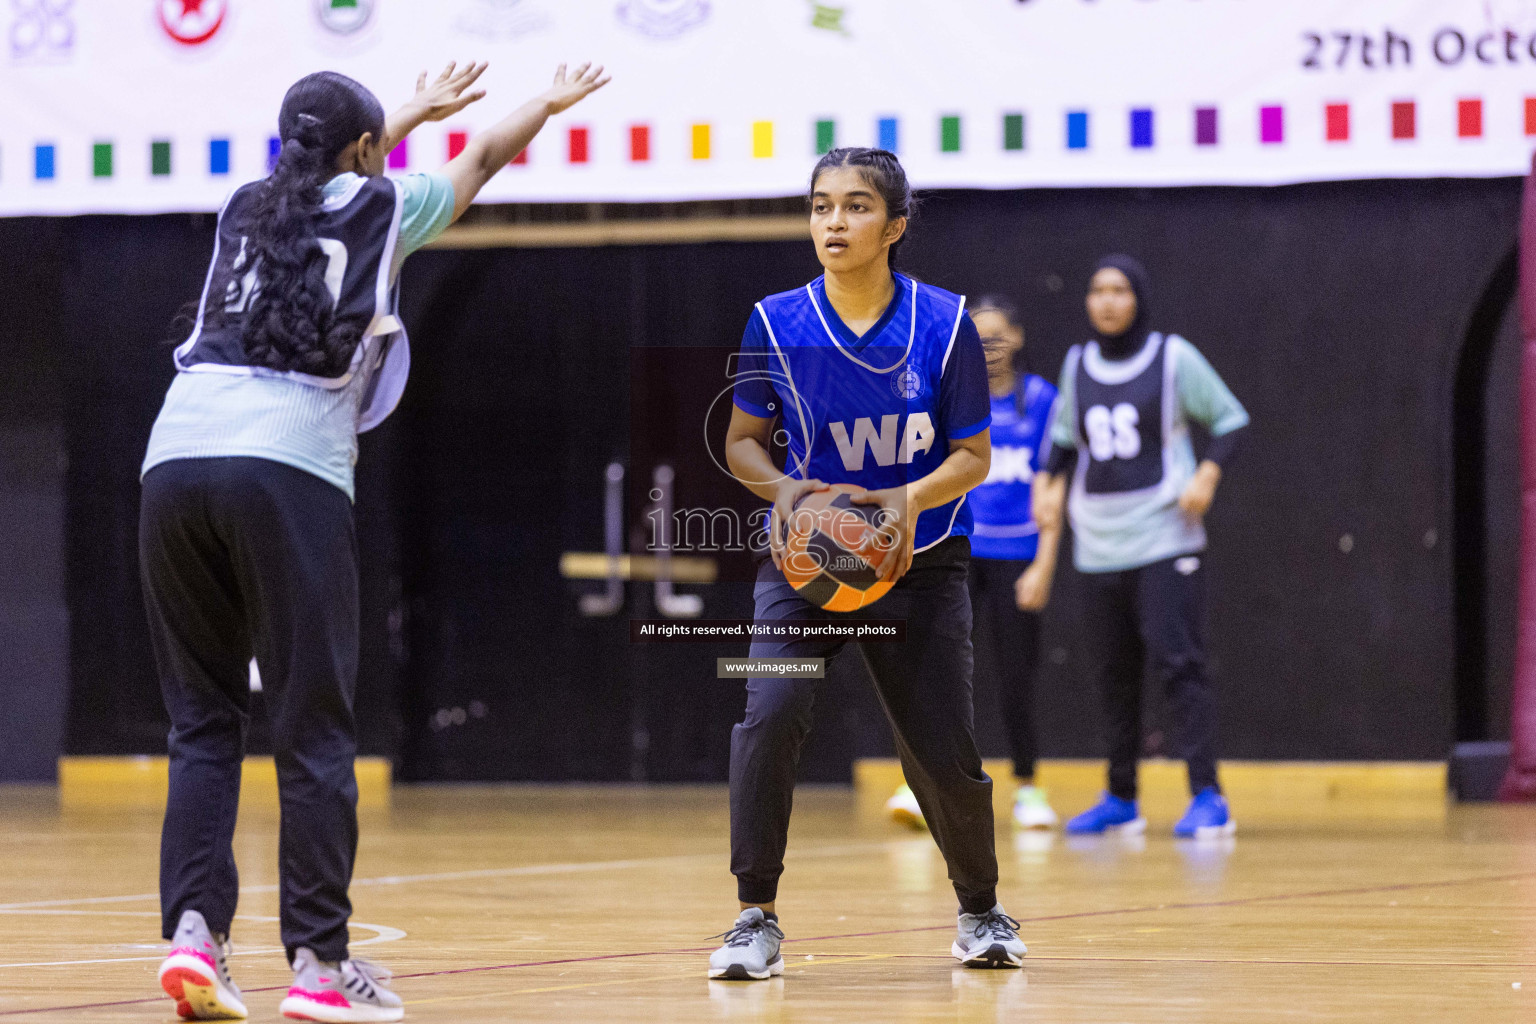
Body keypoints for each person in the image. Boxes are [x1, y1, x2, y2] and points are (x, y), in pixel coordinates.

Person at [141, 61, 608, 1022]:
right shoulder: (388, 204)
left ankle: (194, 938)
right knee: (311, 731)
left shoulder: (242, 204)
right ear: (369, 153)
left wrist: (391, 117)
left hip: (173, 459)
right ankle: (317, 967)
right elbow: (481, 154)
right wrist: (546, 106)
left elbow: (323, 160)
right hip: (286, 465)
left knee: (201, 724)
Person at [713, 147, 1026, 981]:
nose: (833, 223)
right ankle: (754, 916)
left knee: (941, 744)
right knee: (768, 712)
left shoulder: (948, 322)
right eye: (820, 207)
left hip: (920, 559)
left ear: (894, 227)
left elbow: (973, 456)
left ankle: (980, 910)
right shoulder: (774, 320)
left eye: (854, 207)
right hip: (806, 560)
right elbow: (742, 442)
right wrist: (788, 494)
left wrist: (902, 502)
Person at [1032, 254, 1249, 840]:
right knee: (1112, 675)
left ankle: (1208, 797)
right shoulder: (1078, 365)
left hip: (1163, 539)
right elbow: (1061, 440)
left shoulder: (1173, 358)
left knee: (1180, 666)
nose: (1106, 301)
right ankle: (1121, 796)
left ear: (1139, 299)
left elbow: (1230, 419)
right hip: (1098, 544)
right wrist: (1047, 489)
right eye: (1097, 290)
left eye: (1119, 290)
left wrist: (1206, 475)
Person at [886, 295, 1061, 831]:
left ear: (1019, 337)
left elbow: (1055, 491)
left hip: (1017, 557)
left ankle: (1028, 788)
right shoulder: (953, 399)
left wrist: (1044, 566)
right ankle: (920, 785)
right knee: (937, 672)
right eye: (976, 340)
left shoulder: (1044, 399)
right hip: (958, 552)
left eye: (997, 337)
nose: (987, 350)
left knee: (1015, 678)